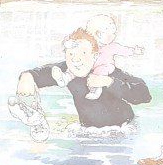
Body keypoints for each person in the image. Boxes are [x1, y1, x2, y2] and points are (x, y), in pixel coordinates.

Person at [18, 29, 151, 132]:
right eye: (71, 54)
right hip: (87, 132)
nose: (76, 60)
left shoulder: (107, 71)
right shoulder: (66, 72)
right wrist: (27, 77)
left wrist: (109, 82)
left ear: (95, 56)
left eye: (83, 54)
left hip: (124, 130)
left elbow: (144, 95)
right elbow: (41, 74)